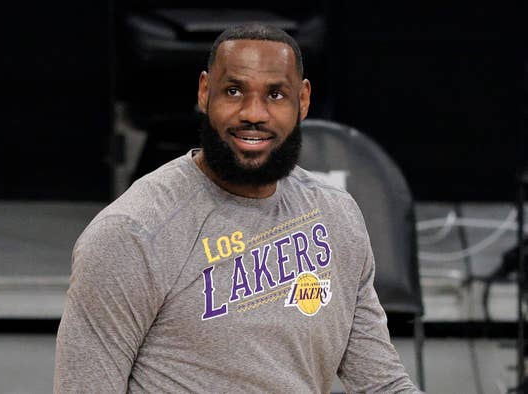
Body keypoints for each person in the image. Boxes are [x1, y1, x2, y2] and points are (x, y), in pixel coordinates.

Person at [54, 23, 420, 393]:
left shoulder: (336, 215)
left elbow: (382, 385)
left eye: (276, 94)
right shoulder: (132, 234)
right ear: (204, 92)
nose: (254, 113)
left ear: (303, 100)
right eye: (233, 91)